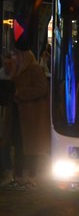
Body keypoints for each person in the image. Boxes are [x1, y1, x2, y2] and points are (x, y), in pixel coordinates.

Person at [11, 47, 50, 189]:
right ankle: (19, 176)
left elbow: (41, 88)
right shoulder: (17, 70)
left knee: (30, 146)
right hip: (20, 114)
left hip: (31, 115)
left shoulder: (34, 69)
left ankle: (30, 177)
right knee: (19, 144)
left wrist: (21, 93)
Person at [0, 52, 16, 186]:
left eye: (9, 63)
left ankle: (9, 170)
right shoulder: (1, 75)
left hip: (11, 114)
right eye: (5, 63)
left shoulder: (16, 76)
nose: (7, 66)